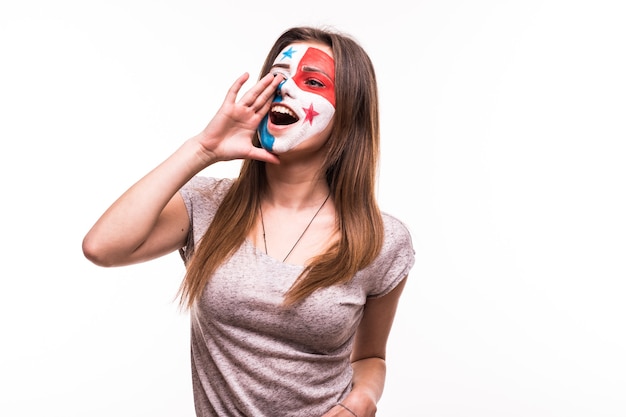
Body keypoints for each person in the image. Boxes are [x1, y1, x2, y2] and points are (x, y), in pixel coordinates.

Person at [83, 26, 415, 417]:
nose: (284, 88)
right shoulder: (207, 206)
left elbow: (371, 356)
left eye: (312, 81)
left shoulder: (381, 240)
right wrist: (202, 149)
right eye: (276, 76)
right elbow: (101, 247)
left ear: (349, 115)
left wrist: (363, 400)